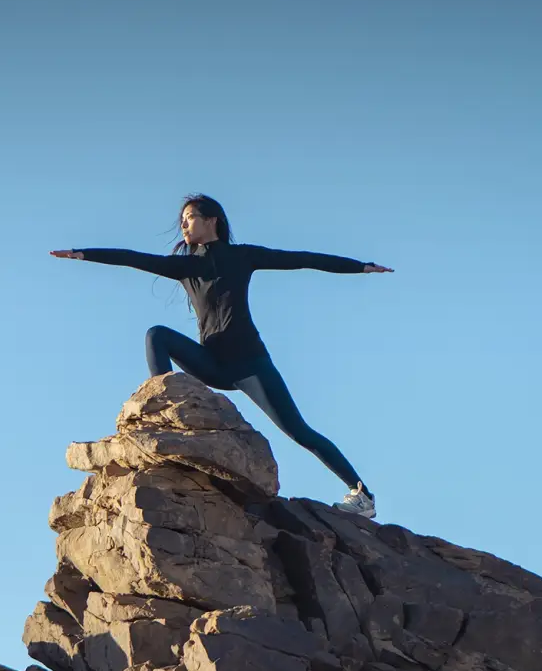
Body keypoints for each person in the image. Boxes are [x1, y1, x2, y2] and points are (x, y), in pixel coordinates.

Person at [51, 194, 393, 516]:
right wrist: (82, 254)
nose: (183, 225)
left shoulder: (243, 256)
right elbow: (132, 258)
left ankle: (362, 495)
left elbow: (303, 259)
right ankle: (163, 409)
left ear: (211, 220)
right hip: (212, 364)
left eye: (189, 217)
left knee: (299, 431)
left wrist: (360, 266)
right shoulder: (185, 267)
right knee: (157, 335)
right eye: (182, 220)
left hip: (250, 365)